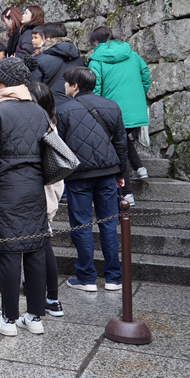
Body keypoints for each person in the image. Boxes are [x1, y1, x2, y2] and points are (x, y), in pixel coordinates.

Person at [0, 57, 52, 337]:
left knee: (8, 253)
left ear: (0, 82)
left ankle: (8, 320)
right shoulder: (39, 112)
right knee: (34, 251)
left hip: (3, 190)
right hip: (34, 189)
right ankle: (34, 317)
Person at [56, 66, 127, 293]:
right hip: (107, 173)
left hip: (79, 176)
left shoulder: (64, 110)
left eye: (66, 82)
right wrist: (120, 173)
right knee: (109, 225)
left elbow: (61, 147)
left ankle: (86, 277)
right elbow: (121, 143)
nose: (64, 86)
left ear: (75, 86)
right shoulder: (112, 106)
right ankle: (114, 277)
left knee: (82, 225)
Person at [88, 26, 152, 187]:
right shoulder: (132, 54)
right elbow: (146, 78)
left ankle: (127, 192)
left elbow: (94, 88)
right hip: (137, 110)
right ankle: (139, 168)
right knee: (121, 137)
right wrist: (138, 97)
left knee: (118, 144)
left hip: (112, 111)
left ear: (95, 42)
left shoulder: (96, 60)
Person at [26, 81, 65, 318]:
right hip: (51, 189)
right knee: (44, 244)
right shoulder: (51, 123)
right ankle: (52, 299)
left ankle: (46, 299)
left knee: (40, 247)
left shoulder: (38, 125)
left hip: (40, 190)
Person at [30, 23, 85, 101]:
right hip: (74, 105)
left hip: (49, 107)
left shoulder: (39, 60)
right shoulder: (80, 60)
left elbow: (33, 88)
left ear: (46, 39)